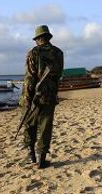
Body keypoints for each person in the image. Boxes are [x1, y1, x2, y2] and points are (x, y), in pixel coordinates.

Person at [21, 25, 64, 169]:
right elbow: (58, 76)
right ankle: (42, 159)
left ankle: (32, 155)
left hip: (34, 96)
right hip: (50, 95)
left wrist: (26, 98)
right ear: (48, 37)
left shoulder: (34, 52)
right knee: (45, 126)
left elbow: (29, 78)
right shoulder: (58, 53)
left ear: (37, 39)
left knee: (29, 124)